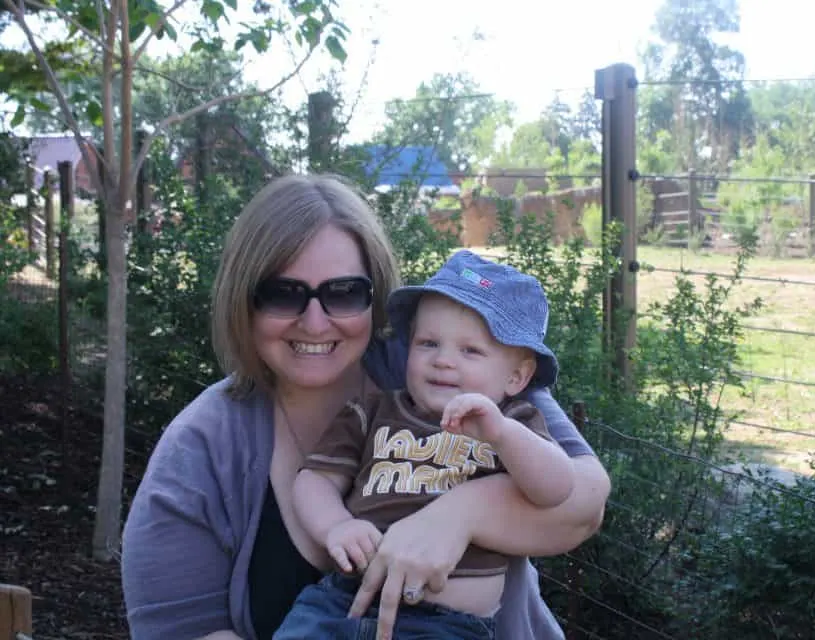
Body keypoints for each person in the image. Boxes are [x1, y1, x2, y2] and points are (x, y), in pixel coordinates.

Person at [120, 173, 611, 640]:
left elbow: (584, 502)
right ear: (241, 300)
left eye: (344, 292)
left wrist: (460, 513)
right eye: (281, 294)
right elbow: (181, 628)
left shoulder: (441, 368)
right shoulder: (201, 447)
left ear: (376, 297)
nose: (315, 323)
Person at [274, 250, 576, 640]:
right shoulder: (374, 410)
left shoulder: (514, 425)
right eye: (428, 343)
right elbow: (314, 480)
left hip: (448, 623)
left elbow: (557, 489)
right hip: (340, 604)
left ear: (517, 376)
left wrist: (502, 433)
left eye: (470, 351)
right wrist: (337, 526)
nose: (443, 361)